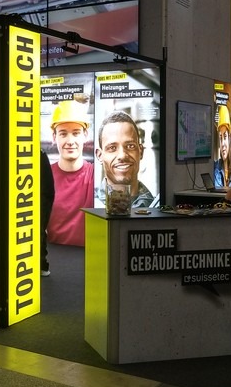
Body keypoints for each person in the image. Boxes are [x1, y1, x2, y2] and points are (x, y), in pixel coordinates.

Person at [46, 100, 94, 247]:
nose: (70, 141)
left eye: (76, 133)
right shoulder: (44, 177)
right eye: (63, 134)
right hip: (54, 256)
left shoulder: (95, 175)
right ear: (54, 137)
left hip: (90, 256)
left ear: (85, 135)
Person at [94, 110, 154, 208]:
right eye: (112, 148)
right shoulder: (87, 203)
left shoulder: (156, 206)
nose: (122, 156)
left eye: (130, 146)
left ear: (141, 152)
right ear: (100, 156)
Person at [39, 149, 55, 276]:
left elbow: (48, 188)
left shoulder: (40, 155)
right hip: (40, 197)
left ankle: (42, 264)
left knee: (39, 230)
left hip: (42, 197)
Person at [213, 105, 231, 188]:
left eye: (225, 136)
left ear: (229, 138)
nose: (223, 143)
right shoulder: (215, 168)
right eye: (220, 137)